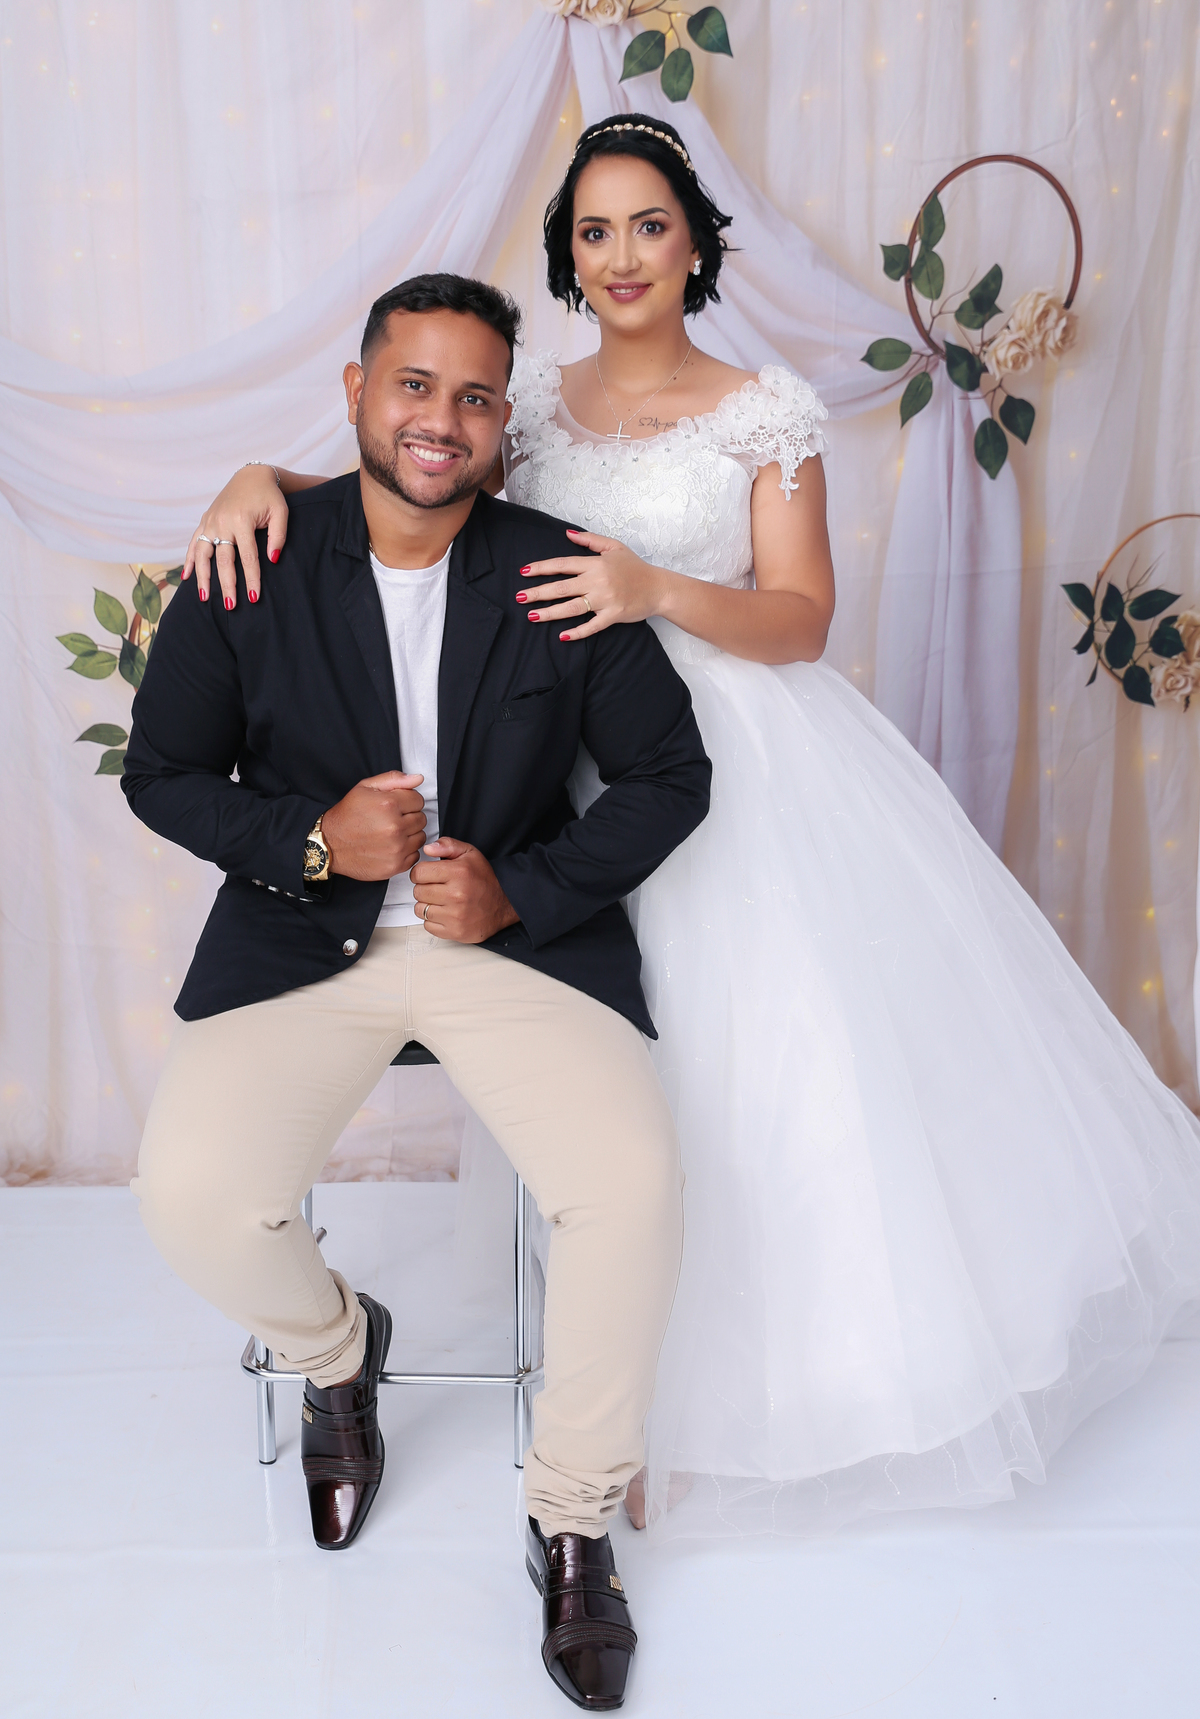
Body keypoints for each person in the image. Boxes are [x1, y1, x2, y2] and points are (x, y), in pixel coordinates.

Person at [184, 115, 1200, 1545]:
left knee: (756, 1078)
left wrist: (654, 588)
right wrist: (261, 479)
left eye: (648, 225)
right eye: (593, 232)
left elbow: (801, 618)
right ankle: (607, 1392)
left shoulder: (763, 409)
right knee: (593, 1081)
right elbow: (410, 482)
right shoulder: (526, 404)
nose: (622, 256)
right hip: (551, 758)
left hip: (726, 747)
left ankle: (755, 1403)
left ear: (695, 244)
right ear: (568, 257)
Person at [123, 270, 712, 1712]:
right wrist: (315, 840)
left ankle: (570, 1517)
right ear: (357, 392)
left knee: (630, 1187)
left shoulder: (557, 570)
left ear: (502, 421)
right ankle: (339, 1350)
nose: (439, 420)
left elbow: (670, 775)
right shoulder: (253, 559)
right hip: (298, 940)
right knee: (193, 1197)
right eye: (412, 385)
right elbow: (164, 774)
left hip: (515, 947)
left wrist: (526, 890)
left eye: (473, 396)